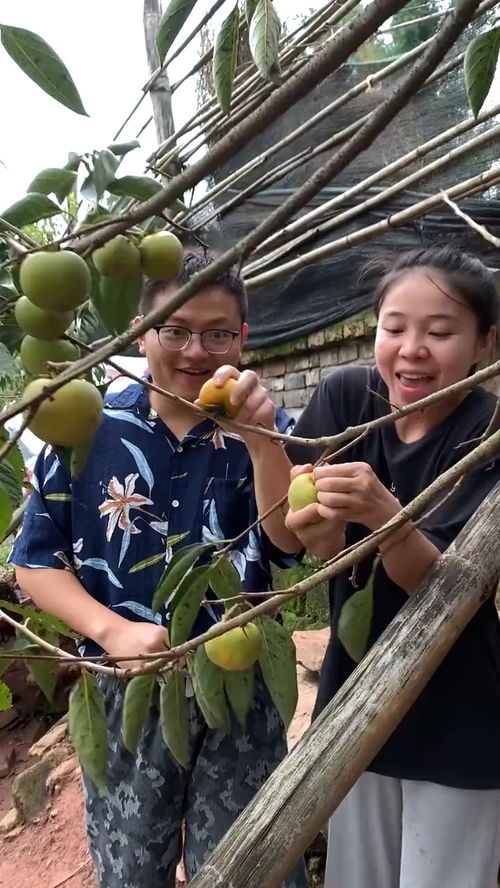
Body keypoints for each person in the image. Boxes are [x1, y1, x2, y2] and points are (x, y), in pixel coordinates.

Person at [11, 253, 308, 888]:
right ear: (142, 330)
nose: (195, 351)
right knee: (130, 865)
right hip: (129, 690)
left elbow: (284, 548)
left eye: (218, 332)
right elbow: (35, 563)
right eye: (175, 330)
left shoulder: (267, 425)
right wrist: (112, 631)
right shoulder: (86, 424)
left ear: (243, 337)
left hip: (240, 682)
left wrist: (262, 441)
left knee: (246, 864)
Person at [285, 245, 500, 888]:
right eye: (394, 327)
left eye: (440, 332)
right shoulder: (349, 398)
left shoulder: (488, 437)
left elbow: (445, 597)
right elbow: (306, 548)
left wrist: (388, 517)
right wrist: (257, 438)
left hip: (460, 712)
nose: (411, 349)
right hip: (357, 700)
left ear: (486, 344)